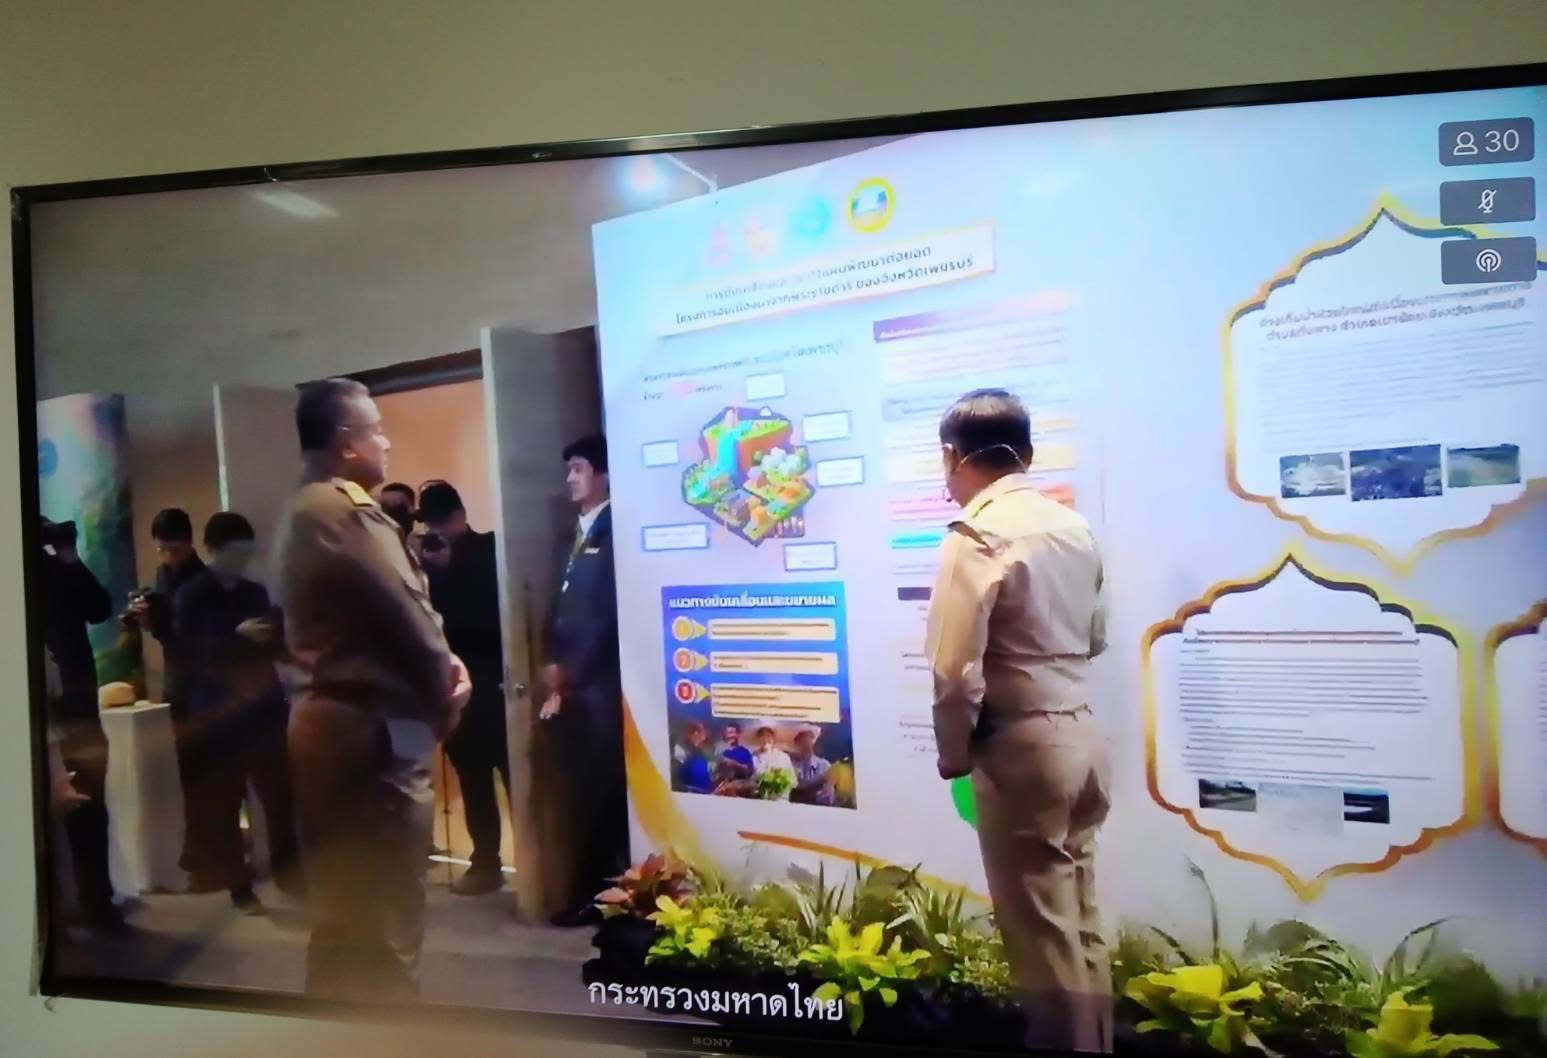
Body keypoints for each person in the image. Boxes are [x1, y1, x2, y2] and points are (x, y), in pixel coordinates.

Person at [272, 377, 471, 1002]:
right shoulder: (343, 511)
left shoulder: (305, 509)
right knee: (385, 924)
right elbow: (409, 617)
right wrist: (447, 692)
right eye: (376, 430)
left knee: (343, 918)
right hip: (371, 738)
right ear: (347, 444)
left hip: (334, 730)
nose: (386, 441)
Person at [925, 388, 1112, 1053]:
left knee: (1041, 946)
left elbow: (953, 673)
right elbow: (1095, 637)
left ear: (952, 456)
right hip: (1083, 736)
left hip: (1021, 750)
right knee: (1080, 926)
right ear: (1026, 454)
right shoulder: (1073, 526)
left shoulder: (976, 534)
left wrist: (954, 755)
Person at [171, 512, 301, 910]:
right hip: (218, 714)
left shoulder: (254, 592)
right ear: (214, 550)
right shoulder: (191, 595)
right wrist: (235, 637)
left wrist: (276, 638)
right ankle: (238, 885)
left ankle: (289, 874)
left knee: (279, 796)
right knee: (225, 804)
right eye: (235, 554)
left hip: (262, 708)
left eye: (247, 554)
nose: (242, 562)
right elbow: (188, 656)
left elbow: (270, 646)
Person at [538, 433, 628, 928]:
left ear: (603, 475)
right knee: (575, 794)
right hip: (571, 687)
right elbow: (558, 608)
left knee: (599, 794)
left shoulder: (616, 530)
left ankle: (598, 895)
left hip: (599, 685)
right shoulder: (571, 534)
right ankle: (585, 891)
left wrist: (568, 675)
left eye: (579, 469)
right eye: (568, 469)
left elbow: (604, 615)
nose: (570, 479)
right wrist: (550, 661)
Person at [418, 480, 509, 896]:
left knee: (517, 780)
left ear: (459, 515)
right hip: (457, 689)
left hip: (498, 685)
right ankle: (485, 861)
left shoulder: (490, 551)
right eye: (430, 524)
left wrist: (450, 570)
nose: (437, 531)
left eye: (441, 521)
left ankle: (538, 869)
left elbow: (488, 617)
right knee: (473, 782)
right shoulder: (427, 567)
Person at [38, 517, 123, 933]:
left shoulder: (58, 568)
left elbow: (99, 608)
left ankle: (97, 903)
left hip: (77, 711)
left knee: (88, 806)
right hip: (50, 711)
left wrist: (70, 556)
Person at [125, 507, 211, 886]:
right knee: (186, 768)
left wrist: (162, 622)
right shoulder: (163, 575)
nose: (167, 556)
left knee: (206, 771)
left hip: (204, 683)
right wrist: (147, 620)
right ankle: (196, 851)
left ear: (190, 543)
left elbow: (197, 638)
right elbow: (168, 636)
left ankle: (208, 852)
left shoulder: (204, 580)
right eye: (161, 549)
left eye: (173, 549)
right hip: (176, 679)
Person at [789, 727, 835, 807]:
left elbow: (828, 796)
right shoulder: (790, 762)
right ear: (796, 742)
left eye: (809, 738)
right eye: (802, 739)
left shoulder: (824, 765)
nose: (806, 742)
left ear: (813, 741)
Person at [750, 725, 796, 800]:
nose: (765, 739)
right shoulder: (753, 757)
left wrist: (781, 784)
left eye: (768, 736)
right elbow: (750, 779)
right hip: (759, 799)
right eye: (762, 736)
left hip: (780, 799)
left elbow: (793, 780)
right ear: (758, 739)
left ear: (773, 738)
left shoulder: (783, 756)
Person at [674, 722, 715, 794]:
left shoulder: (700, 752)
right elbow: (677, 779)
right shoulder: (680, 749)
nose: (704, 738)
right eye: (703, 734)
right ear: (695, 734)